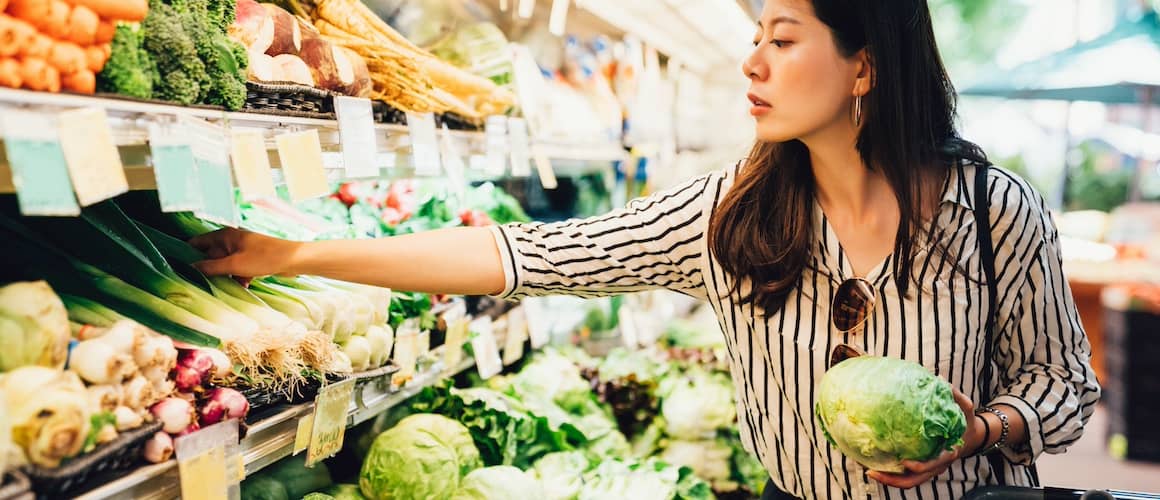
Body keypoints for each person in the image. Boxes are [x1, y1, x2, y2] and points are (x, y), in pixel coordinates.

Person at [190, 0, 1101, 498]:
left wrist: (979, 430)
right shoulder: (731, 221)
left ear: (864, 66)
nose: (753, 62)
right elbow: (520, 257)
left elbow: (1063, 386)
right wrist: (294, 257)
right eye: (753, 40)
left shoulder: (992, 212)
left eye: (783, 40)